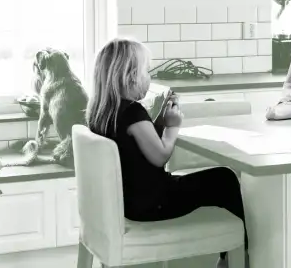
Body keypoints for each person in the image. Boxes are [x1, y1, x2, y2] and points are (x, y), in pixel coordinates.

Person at [86, 37, 249, 268]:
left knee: (216, 180)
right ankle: (239, 256)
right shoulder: (133, 112)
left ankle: (228, 254)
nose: (149, 78)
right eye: (147, 71)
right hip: (153, 203)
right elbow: (159, 156)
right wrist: (172, 127)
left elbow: (138, 147)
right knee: (225, 178)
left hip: (129, 200)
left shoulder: (102, 112)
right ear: (130, 77)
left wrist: (160, 122)